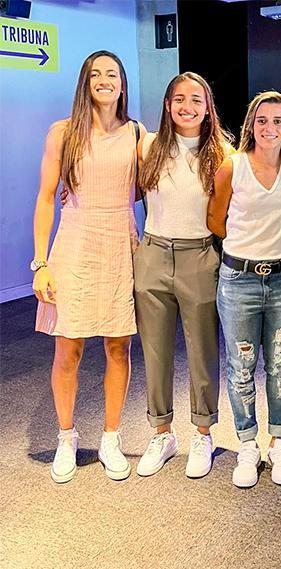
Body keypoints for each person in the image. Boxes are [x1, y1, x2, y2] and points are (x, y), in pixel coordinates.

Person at [32, 50, 144, 483]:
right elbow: (45, 198)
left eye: (111, 73)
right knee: (69, 348)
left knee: (119, 347)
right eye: (95, 74)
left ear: (121, 83)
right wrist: (40, 262)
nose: (104, 80)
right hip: (74, 244)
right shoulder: (63, 133)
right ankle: (66, 436)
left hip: (120, 242)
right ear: (85, 82)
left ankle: (112, 438)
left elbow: (151, 180)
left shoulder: (137, 133)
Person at [133, 72, 233, 479]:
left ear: (208, 106)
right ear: (168, 104)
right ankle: (162, 432)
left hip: (200, 255)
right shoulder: (149, 147)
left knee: (202, 351)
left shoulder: (224, 152)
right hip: (153, 253)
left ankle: (203, 433)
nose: (186, 107)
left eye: (195, 99)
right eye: (178, 99)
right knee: (154, 351)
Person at [207, 91, 281, 488]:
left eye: (278, 121)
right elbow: (215, 219)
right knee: (241, 367)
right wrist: (249, 249)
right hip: (239, 281)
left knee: (280, 365)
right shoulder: (232, 167)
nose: (270, 128)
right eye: (262, 120)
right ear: (251, 125)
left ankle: (278, 441)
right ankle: (248, 444)